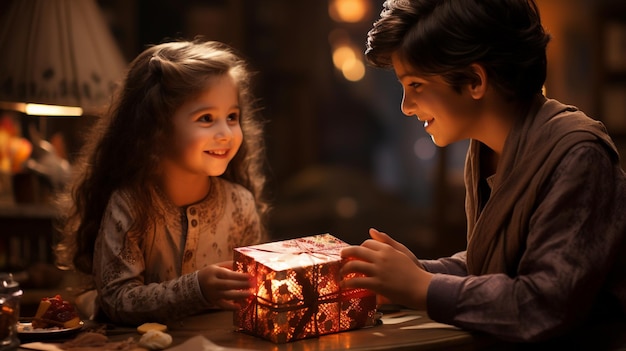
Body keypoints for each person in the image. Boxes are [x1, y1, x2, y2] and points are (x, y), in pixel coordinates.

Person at [340, 0, 626, 347]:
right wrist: (415, 274)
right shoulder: (487, 149)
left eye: (415, 84)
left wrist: (422, 287)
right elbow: (494, 269)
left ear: (475, 80)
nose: (405, 106)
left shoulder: (578, 154)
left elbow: (544, 303)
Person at [54, 39, 269, 325]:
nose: (226, 133)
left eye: (232, 116)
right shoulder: (132, 204)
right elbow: (116, 300)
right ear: (156, 128)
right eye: (206, 118)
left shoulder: (240, 205)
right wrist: (196, 289)